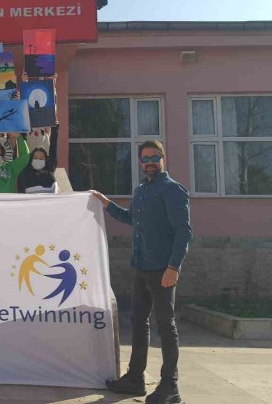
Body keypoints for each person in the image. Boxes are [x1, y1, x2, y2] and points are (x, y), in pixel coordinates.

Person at [91, 140, 192, 404]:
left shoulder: (172, 190)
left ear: (163, 159)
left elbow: (184, 231)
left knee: (166, 327)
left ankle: (170, 387)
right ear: (140, 161)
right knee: (138, 322)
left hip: (162, 270)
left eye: (154, 157)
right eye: (145, 158)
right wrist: (107, 204)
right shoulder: (141, 191)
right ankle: (135, 379)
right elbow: (131, 218)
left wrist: (173, 267)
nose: (149, 162)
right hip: (141, 267)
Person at [17, 124, 59, 193]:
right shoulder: (25, 172)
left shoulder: (49, 169)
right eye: (35, 158)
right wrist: (21, 131)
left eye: (41, 158)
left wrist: (55, 128)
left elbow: (53, 149)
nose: (38, 160)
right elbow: (23, 150)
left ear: (46, 160)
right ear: (31, 159)